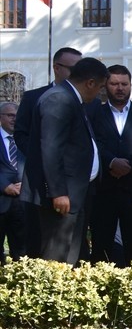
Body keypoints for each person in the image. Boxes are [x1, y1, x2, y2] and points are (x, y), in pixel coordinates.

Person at [19, 57, 109, 265]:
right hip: (60, 197)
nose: (100, 94)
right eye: (101, 88)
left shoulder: (70, 98)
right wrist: (58, 191)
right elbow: (51, 148)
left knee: (70, 257)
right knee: (56, 258)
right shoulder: (59, 99)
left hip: (75, 193)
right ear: (90, 83)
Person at [14, 46, 82, 256]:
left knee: (73, 250)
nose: (78, 75)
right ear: (57, 68)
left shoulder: (87, 100)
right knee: (40, 244)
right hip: (41, 185)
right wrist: (42, 156)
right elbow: (21, 133)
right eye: (73, 69)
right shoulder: (35, 97)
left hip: (76, 186)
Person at [87, 65, 132, 265]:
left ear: (130, 85)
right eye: (114, 84)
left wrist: (130, 166)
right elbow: (90, 144)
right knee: (101, 248)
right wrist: (111, 162)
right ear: (105, 86)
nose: (120, 88)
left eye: (124, 84)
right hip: (102, 191)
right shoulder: (93, 114)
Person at [0, 101, 26, 262]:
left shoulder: (25, 140)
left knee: (22, 252)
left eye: (17, 116)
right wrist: (5, 186)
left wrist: (26, 184)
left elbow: (34, 164)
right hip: (1, 200)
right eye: (10, 115)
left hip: (22, 203)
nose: (14, 119)